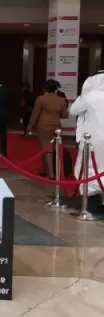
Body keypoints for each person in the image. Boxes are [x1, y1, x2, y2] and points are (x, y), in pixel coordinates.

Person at [69, 72, 104, 213]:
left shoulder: (90, 97)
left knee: (89, 168)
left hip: (92, 140)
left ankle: (92, 197)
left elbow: (73, 110)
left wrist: (82, 96)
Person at [26, 79, 68, 177]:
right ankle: (44, 169)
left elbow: (35, 114)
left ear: (45, 88)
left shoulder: (41, 99)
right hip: (57, 126)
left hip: (43, 126)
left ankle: (51, 173)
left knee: (46, 148)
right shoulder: (62, 100)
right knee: (54, 148)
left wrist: (30, 126)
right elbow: (64, 115)